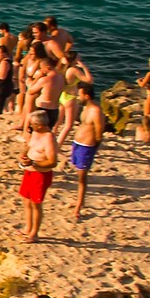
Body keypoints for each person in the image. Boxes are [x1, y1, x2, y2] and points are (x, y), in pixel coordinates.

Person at [20, 114, 60, 242]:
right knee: (26, 200)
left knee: (35, 203)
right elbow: (29, 146)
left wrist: (34, 163)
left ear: (40, 126)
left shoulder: (48, 138)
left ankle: (34, 233)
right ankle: (28, 227)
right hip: (29, 171)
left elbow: (52, 161)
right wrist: (24, 155)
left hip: (40, 174)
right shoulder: (35, 133)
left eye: (33, 124)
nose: (30, 126)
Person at [69, 84, 106, 222]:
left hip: (87, 146)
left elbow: (99, 131)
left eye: (80, 94)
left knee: (82, 177)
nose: (78, 97)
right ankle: (80, 200)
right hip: (78, 143)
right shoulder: (85, 108)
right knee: (78, 174)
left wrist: (95, 147)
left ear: (87, 96)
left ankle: (79, 205)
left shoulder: (96, 111)